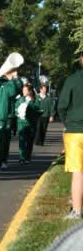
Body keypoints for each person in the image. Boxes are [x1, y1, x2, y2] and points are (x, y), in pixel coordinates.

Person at [58, 52, 83, 220]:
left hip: (75, 130)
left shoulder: (72, 80)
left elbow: (62, 106)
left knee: (78, 172)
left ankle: (77, 210)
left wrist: (67, 122)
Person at [15, 83, 42, 165]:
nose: (23, 92)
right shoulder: (20, 99)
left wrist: (29, 105)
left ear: (30, 91)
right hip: (21, 122)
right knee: (22, 140)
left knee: (29, 141)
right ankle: (21, 157)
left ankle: (27, 157)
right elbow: (15, 108)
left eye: (25, 90)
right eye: (23, 90)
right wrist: (18, 113)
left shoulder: (35, 99)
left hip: (31, 123)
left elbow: (37, 108)